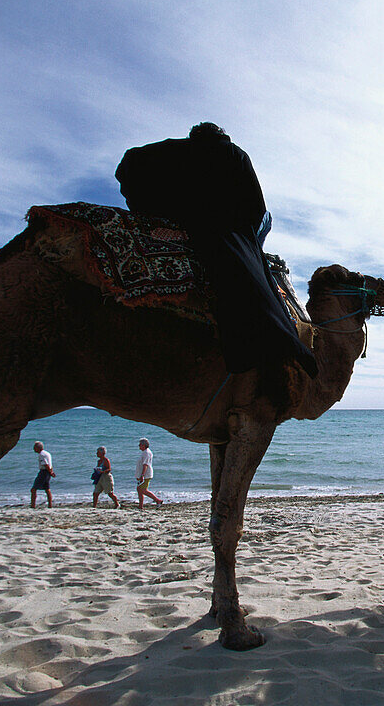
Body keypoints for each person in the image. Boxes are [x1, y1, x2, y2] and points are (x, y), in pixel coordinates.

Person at [115, 122, 317, 378]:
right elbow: (256, 207)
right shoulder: (235, 153)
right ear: (222, 135)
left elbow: (128, 164)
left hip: (186, 219)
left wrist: (150, 208)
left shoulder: (177, 149)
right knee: (263, 236)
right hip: (226, 227)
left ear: (194, 135)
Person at [135, 438, 163, 509]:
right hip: (143, 474)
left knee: (143, 490)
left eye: (140, 445)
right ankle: (140, 506)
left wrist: (142, 475)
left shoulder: (147, 453)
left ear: (144, 445)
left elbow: (145, 465)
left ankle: (158, 500)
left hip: (146, 475)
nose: (139, 446)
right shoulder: (144, 452)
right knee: (139, 489)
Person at [30, 441, 55, 509]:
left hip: (44, 472)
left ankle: (33, 505)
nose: (34, 449)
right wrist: (51, 472)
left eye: (35, 447)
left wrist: (50, 472)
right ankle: (50, 505)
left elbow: (46, 464)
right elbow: (50, 464)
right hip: (47, 472)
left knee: (33, 489)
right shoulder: (47, 453)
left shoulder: (41, 455)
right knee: (47, 489)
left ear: (38, 448)